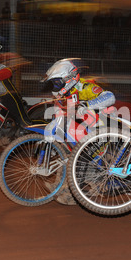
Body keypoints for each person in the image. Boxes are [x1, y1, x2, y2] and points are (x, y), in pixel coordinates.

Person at [41, 58, 116, 205]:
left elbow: (110, 97)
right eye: (54, 83)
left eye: (57, 82)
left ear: (68, 78)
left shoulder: (84, 87)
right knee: (68, 153)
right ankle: (61, 184)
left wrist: (88, 104)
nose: (55, 86)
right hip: (87, 131)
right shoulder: (66, 93)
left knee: (79, 157)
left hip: (103, 131)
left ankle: (72, 194)